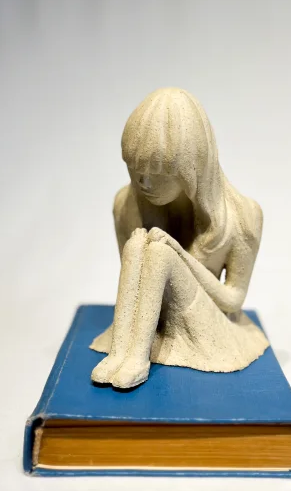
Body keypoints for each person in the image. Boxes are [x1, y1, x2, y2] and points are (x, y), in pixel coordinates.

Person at [90, 87, 269, 388]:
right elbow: (136, 287)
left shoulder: (243, 216)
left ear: (191, 168)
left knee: (161, 253)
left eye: (158, 173)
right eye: (135, 169)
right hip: (152, 323)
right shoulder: (126, 204)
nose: (144, 182)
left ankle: (137, 359)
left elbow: (233, 301)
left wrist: (180, 256)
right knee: (138, 244)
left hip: (207, 326)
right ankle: (120, 353)